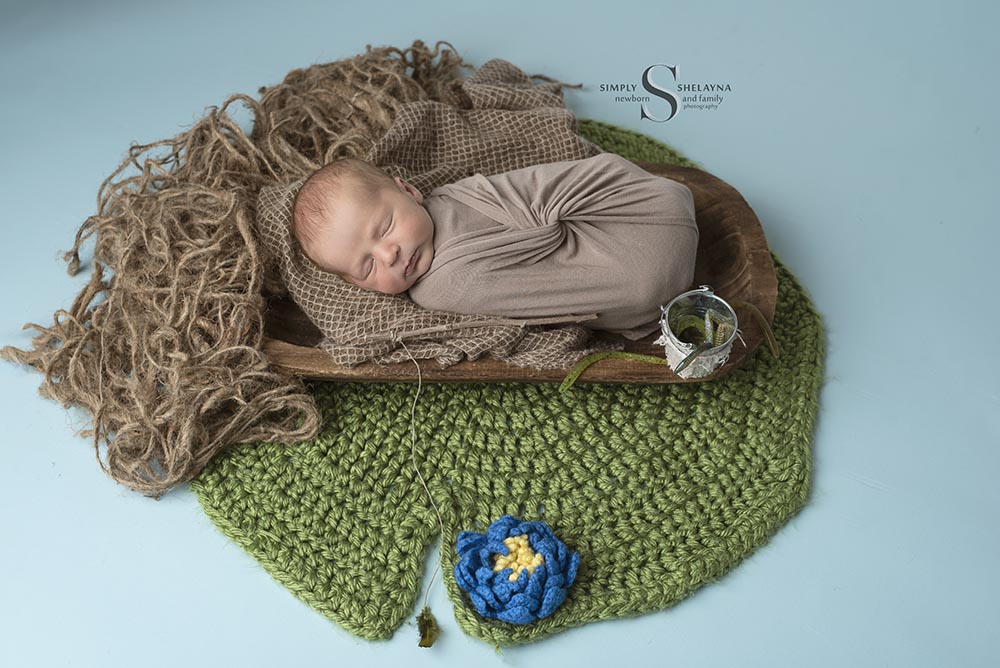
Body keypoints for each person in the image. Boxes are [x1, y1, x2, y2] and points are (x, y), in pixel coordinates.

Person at [291, 152, 699, 340]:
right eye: (366, 267)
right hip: (664, 207)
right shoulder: (441, 277)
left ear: (411, 191)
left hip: (640, 217)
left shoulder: (457, 209)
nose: (389, 254)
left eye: (385, 226)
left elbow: (548, 189)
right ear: (360, 288)